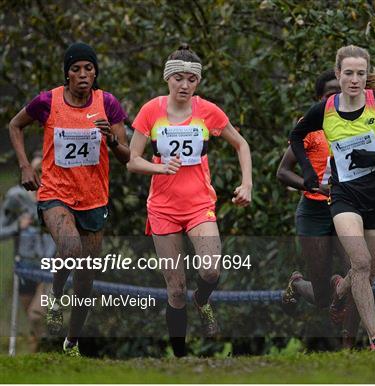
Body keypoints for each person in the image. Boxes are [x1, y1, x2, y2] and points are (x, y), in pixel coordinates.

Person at [289, 45, 375, 350]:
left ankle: (339, 296)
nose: (354, 79)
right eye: (348, 73)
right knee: (360, 262)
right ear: (338, 74)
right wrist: (307, 172)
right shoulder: (325, 110)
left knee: (367, 273)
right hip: (344, 197)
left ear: (366, 75)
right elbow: (296, 136)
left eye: (360, 73)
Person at [127, 43, 252, 357]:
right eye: (178, 78)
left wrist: (246, 183)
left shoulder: (208, 111)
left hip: (199, 206)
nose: (184, 85)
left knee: (210, 271)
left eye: (191, 80)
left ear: (198, 82)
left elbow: (241, 144)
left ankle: (203, 300)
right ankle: (180, 358)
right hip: (163, 210)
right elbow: (132, 160)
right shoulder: (150, 111)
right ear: (167, 79)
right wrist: (159, 166)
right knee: (176, 289)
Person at [8, 42, 130, 356]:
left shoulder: (108, 104)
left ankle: (72, 342)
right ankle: (56, 294)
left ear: (95, 73)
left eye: (88, 68)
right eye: (76, 69)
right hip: (55, 194)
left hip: (93, 199)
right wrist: (24, 165)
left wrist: (112, 139)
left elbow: (126, 155)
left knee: (87, 280)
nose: (83, 74)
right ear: (67, 74)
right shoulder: (47, 101)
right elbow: (15, 125)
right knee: (70, 247)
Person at [277, 69, 360, 348]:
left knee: (359, 276)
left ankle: (350, 349)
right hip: (313, 213)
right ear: (318, 99)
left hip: (346, 209)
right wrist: (314, 186)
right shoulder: (310, 127)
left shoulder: (359, 124)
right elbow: (282, 173)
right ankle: (298, 284)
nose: (337, 96)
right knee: (323, 297)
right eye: (329, 93)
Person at [1, 154, 56, 353]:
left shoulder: (57, 198)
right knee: (34, 322)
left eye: (44, 170)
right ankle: (43, 355)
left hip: (48, 269)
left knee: (36, 315)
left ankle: (47, 353)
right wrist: (18, 226)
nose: (40, 175)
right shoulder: (17, 197)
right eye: (36, 170)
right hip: (25, 268)